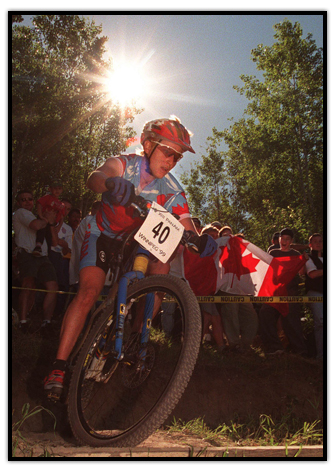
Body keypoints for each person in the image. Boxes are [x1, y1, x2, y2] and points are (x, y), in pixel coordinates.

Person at [44, 116, 217, 398]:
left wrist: (200, 241)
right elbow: (95, 177)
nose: (172, 160)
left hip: (132, 241)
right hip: (101, 233)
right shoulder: (125, 164)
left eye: (178, 156)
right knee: (89, 291)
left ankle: (136, 336)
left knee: (162, 263)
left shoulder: (173, 189)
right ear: (148, 145)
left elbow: (187, 228)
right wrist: (111, 184)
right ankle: (59, 366)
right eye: (168, 152)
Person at [12, 190, 58, 335]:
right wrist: (47, 219)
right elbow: (36, 226)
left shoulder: (36, 215)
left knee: (53, 286)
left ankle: (46, 322)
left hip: (42, 255)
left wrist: (50, 220)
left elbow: (52, 234)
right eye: (23, 199)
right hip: (27, 253)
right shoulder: (20, 213)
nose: (27, 202)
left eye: (30, 199)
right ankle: (23, 322)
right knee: (28, 285)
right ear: (18, 203)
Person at [258, 227, 308, 356]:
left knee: (292, 321)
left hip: (290, 290)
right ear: (278, 239)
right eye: (282, 239)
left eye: (287, 239)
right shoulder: (272, 252)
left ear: (291, 241)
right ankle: (274, 347)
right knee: (265, 314)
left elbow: (301, 273)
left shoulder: (296, 254)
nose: (284, 241)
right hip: (274, 291)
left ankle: (300, 351)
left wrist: (303, 261)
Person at [48, 199, 73, 317]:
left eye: (68, 209)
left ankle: (56, 314)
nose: (65, 211)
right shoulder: (48, 220)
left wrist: (65, 245)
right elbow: (52, 242)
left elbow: (66, 251)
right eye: (63, 207)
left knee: (60, 285)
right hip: (46, 256)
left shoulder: (68, 229)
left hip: (59, 259)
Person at [33, 180, 66, 256]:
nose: (57, 190)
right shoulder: (47, 197)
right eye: (55, 188)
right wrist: (41, 216)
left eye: (59, 188)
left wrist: (58, 226)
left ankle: (47, 252)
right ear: (50, 189)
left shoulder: (62, 204)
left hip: (52, 223)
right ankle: (38, 246)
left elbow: (62, 216)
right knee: (41, 232)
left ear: (62, 190)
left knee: (50, 237)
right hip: (44, 219)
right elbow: (39, 204)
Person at [305, 233, 323, 359]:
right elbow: (312, 274)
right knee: (321, 322)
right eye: (315, 241)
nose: (318, 243)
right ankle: (321, 355)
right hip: (315, 292)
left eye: (321, 241)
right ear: (310, 245)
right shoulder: (308, 258)